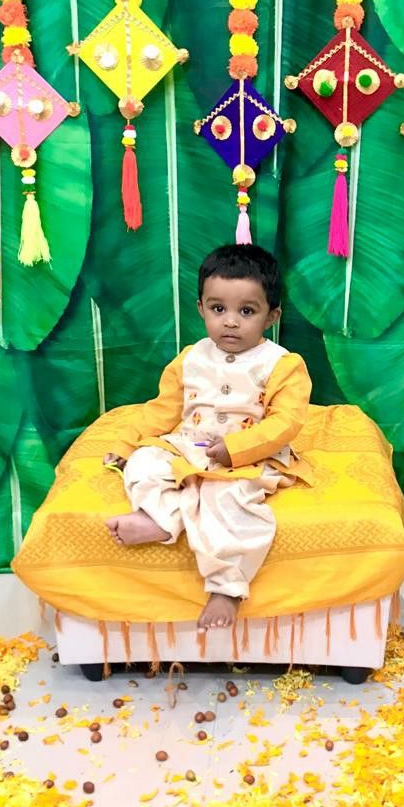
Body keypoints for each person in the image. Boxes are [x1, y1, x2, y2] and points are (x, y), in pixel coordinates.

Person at [104, 243, 313, 633]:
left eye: (246, 311)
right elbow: (163, 409)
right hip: (191, 443)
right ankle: (162, 519)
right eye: (218, 309)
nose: (230, 322)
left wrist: (235, 449)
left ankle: (226, 588)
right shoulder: (190, 358)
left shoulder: (284, 365)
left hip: (250, 452)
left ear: (272, 316)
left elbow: (286, 422)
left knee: (229, 500)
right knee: (146, 463)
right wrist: (127, 445)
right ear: (201, 308)